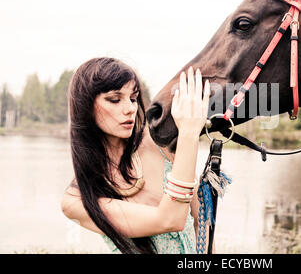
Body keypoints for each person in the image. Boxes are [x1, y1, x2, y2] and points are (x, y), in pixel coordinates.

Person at [60, 57, 211, 254]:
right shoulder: (76, 200)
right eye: (115, 99)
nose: (130, 108)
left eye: (133, 98)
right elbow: (170, 220)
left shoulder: (158, 144)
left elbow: (201, 221)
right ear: (85, 106)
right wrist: (189, 134)